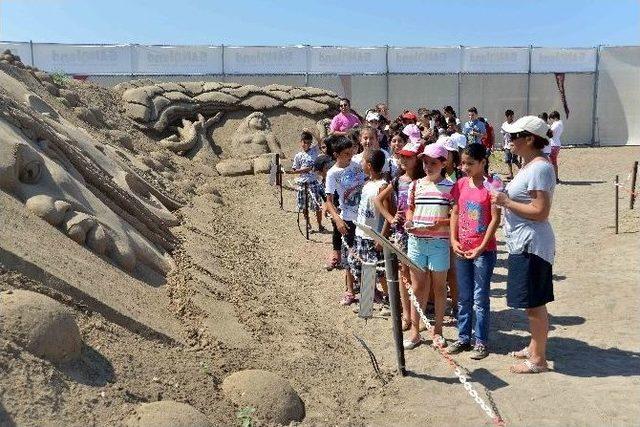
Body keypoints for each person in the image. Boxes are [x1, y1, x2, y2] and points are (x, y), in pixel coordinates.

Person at [493, 115, 556, 374]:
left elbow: (540, 211)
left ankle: (538, 360)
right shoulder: (530, 165)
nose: (509, 140)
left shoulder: (540, 167)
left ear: (529, 139)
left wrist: (506, 202)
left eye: (514, 136)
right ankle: (533, 348)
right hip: (524, 241)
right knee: (531, 301)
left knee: (534, 303)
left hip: (532, 243)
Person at [447, 143, 501, 360]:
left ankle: (480, 341)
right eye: (463, 163)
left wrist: (481, 247)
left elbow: (495, 219)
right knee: (463, 296)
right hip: (462, 249)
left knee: (480, 297)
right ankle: (463, 337)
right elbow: (455, 212)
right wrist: (453, 239)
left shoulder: (492, 186)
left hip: (484, 252)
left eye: (470, 163)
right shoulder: (460, 184)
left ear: (482, 162)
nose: (465, 167)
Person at [403, 143, 454, 350]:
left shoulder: (451, 187)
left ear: (444, 163)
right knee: (417, 287)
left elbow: (455, 218)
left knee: (440, 288)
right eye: (425, 162)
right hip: (416, 241)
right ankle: (415, 331)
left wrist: (439, 224)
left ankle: (438, 330)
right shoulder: (416, 185)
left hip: (439, 243)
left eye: (433, 162)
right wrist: (409, 221)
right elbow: (410, 209)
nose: (428, 166)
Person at [375, 141, 425, 331]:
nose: (403, 159)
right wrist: (390, 217)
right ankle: (406, 315)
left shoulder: (423, 180)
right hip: (402, 233)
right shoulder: (397, 180)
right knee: (404, 274)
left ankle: (417, 315)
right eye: (401, 156)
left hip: (421, 232)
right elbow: (378, 200)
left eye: (408, 156)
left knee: (418, 275)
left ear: (417, 159)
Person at [324, 137, 367, 306]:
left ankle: (368, 288)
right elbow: (329, 199)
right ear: (336, 154)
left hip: (364, 216)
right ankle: (349, 290)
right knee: (349, 256)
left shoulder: (356, 165)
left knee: (365, 253)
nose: (350, 156)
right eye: (346, 154)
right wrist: (337, 219)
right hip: (348, 217)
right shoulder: (332, 173)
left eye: (351, 152)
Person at [353, 149, 390, 315]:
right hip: (361, 234)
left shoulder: (382, 186)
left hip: (374, 236)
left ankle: (388, 301)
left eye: (363, 161)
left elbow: (389, 214)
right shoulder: (367, 183)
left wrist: (382, 238)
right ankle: (367, 302)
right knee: (363, 268)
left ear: (368, 165)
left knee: (380, 272)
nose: (361, 164)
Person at [287, 131, 325, 232]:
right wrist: (305, 169)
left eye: (308, 143)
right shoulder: (298, 156)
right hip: (302, 183)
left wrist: (312, 132)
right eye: (304, 142)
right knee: (304, 205)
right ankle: (308, 224)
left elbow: (321, 141)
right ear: (301, 142)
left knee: (317, 205)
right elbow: (295, 170)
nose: (305, 145)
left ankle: (320, 224)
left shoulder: (314, 151)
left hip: (313, 182)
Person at [501, 110, 520, 180]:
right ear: (508, 116)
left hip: (514, 145)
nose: (512, 117)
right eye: (511, 116)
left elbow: (518, 134)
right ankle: (511, 174)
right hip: (507, 145)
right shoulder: (504, 125)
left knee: (515, 160)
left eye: (512, 115)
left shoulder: (515, 124)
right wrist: (503, 144)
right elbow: (503, 135)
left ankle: (523, 171)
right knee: (508, 160)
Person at [548, 111, 563, 183]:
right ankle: (555, 178)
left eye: (551, 119)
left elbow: (550, 133)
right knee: (553, 161)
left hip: (554, 144)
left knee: (552, 162)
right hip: (556, 143)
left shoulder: (557, 124)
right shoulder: (560, 123)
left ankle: (555, 178)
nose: (551, 120)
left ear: (555, 118)